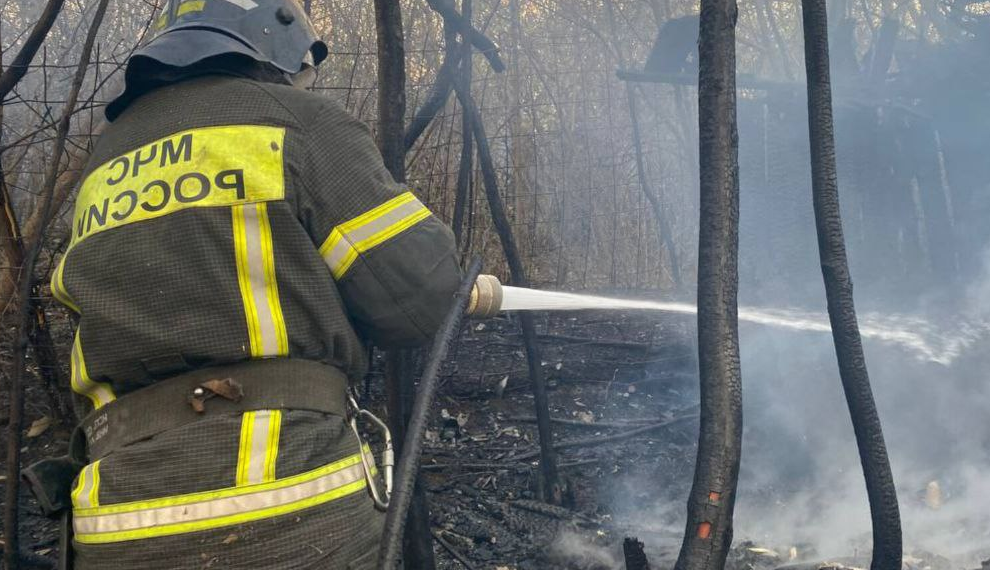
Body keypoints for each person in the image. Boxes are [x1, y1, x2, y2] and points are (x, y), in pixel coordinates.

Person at [47, 1, 462, 567]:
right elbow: (420, 299)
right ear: (275, 36)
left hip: (114, 522)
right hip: (285, 508)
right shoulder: (296, 121)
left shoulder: (105, 160)